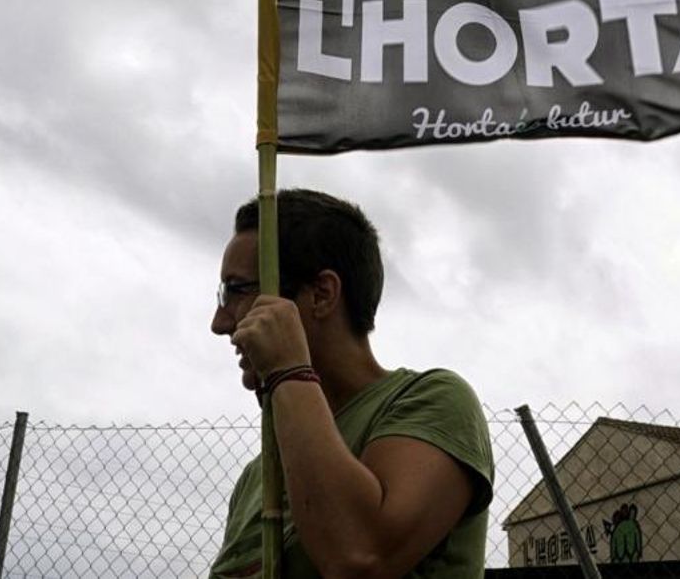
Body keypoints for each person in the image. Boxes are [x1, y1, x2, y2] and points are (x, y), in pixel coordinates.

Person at [209, 189, 494, 579]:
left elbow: (360, 556)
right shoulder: (258, 476)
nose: (220, 322)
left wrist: (288, 372)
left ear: (322, 294)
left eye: (236, 290)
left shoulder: (435, 401)